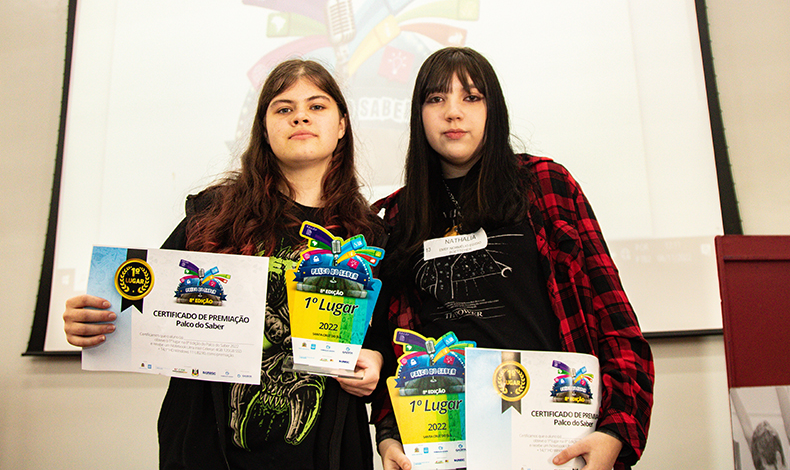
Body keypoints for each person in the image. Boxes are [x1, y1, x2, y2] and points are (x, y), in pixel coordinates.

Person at [63, 59, 385, 470]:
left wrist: (375, 362)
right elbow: (145, 310)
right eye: (283, 108)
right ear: (264, 129)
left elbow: (383, 338)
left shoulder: (371, 236)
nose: (300, 116)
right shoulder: (214, 214)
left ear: (341, 125)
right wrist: (93, 320)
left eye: (317, 106)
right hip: (208, 452)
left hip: (324, 452)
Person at [365, 47, 655, 470]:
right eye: (436, 99)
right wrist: (389, 435)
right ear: (418, 115)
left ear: (494, 110)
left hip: (553, 442)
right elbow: (394, 347)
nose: (452, 112)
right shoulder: (400, 215)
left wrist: (615, 431)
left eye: (471, 97)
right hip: (443, 445)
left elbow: (614, 320)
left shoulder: (546, 184)